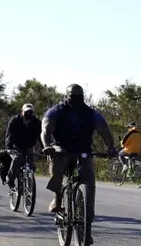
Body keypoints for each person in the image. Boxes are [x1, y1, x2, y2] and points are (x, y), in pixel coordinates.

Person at [41, 84, 117, 224]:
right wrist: (47, 146)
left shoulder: (91, 113)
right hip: (62, 148)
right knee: (57, 159)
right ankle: (57, 198)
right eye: (72, 97)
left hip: (83, 151)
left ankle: (87, 221)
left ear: (83, 98)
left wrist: (111, 147)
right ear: (66, 97)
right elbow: (45, 129)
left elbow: (104, 131)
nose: (76, 100)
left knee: (89, 181)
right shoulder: (56, 111)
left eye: (79, 98)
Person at [3, 103, 41, 189]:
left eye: (30, 112)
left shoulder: (36, 122)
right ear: (22, 111)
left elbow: (41, 135)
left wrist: (45, 147)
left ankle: (29, 189)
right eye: (26, 112)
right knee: (18, 158)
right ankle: (10, 178)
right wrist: (9, 147)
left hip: (29, 146)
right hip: (16, 146)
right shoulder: (15, 120)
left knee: (30, 167)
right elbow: (9, 134)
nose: (28, 114)